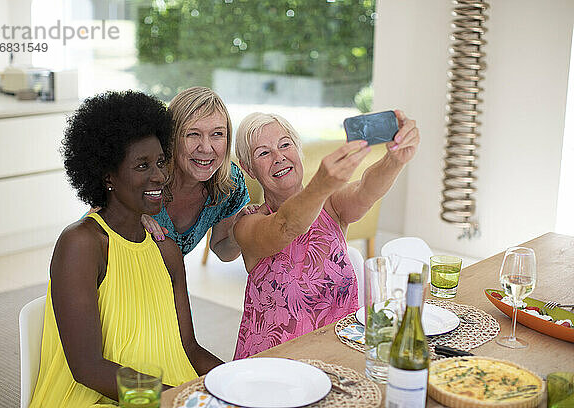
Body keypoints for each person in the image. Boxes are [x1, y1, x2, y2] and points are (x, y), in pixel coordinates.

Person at [29, 91, 222, 407]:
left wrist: (239, 382)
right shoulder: (82, 244)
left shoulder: (167, 252)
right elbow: (88, 369)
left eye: (160, 162)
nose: (159, 176)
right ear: (108, 176)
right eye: (142, 165)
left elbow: (189, 348)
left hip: (172, 392)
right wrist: (175, 399)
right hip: (101, 398)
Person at [232, 111, 420, 359]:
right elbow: (286, 225)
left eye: (285, 145)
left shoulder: (331, 204)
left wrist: (395, 160)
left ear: (298, 150)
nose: (279, 157)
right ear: (249, 168)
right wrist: (321, 184)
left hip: (339, 357)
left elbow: (366, 189)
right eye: (263, 153)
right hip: (273, 367)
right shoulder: (247, 224)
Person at [141, 87, 251, 260]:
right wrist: (125, 218)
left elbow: (222, 250)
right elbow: (89, 227)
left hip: (164, 283)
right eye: (193, 134)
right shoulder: (143, 171)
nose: (206, 148)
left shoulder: (231, 183)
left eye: (217, 134)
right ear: (171, 137)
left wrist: (239, 232)